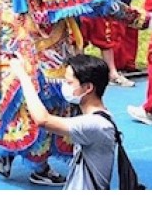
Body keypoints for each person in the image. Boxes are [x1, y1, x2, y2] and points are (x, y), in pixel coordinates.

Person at [10, 53, 116, 190]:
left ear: (88, 88)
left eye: (69, 82)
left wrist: (23, 77)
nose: (64, 86)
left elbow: (43, 120)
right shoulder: (98, 118)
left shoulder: (96, 125)